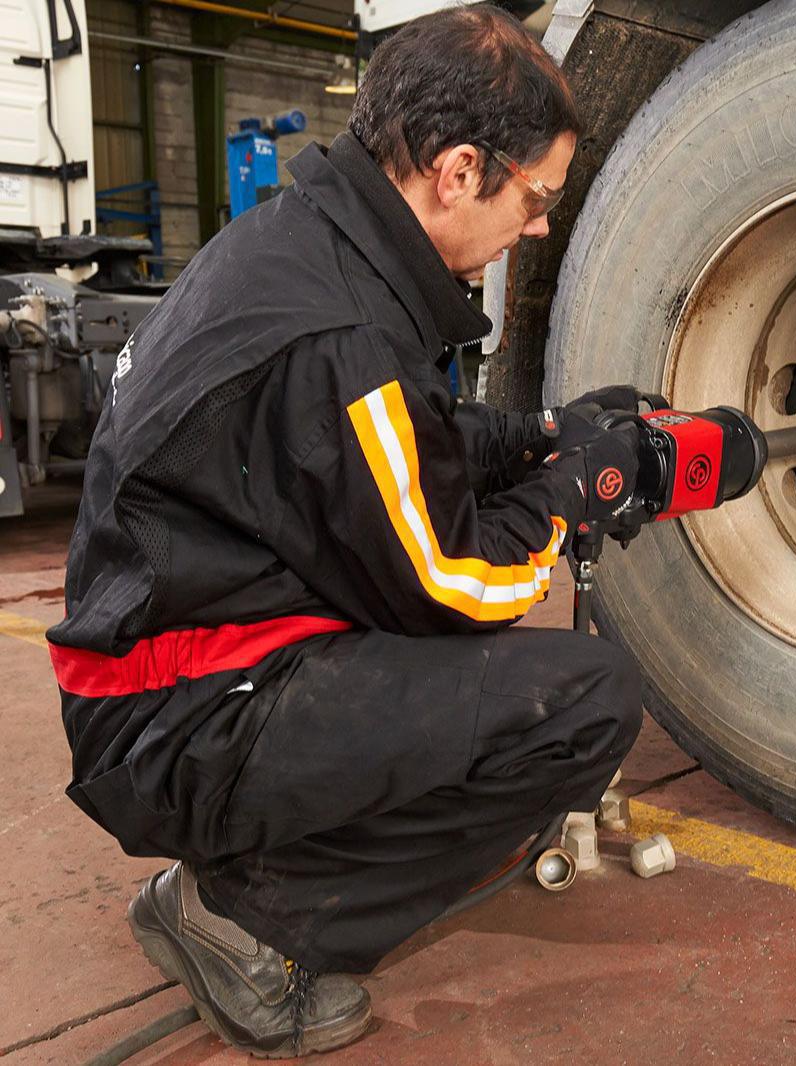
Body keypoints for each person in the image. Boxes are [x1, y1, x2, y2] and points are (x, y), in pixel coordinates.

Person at [46, 6, 644, 1056]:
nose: (541, 224)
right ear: (458, 171)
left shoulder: (315, 247)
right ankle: (250, 921)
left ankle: (247, 873)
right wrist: (577, 490)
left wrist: (543, 433)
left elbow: (407, 443)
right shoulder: (343, 332)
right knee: (580, 703)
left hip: (176, 665)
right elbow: (453, 582)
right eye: (538, 196)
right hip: (176, 722)